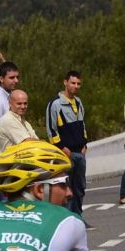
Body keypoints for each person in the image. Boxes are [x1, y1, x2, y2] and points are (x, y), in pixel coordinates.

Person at [46, 71, 88, 216]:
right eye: (73, 83)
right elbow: (51, 130)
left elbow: (83, 124)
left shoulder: (78, 102)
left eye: (78, 83)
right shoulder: (55, 104)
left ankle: (78, 217)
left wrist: (85, 144)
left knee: (80, 188)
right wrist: (61, 148)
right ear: (65, 82)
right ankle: (66, 218)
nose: (76, 86)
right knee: (66, 188)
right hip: (65, 153)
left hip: (80, 152)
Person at [0, 90, 37, 154]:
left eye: (25, 103)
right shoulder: (7, 120)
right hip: (9, 160)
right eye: (19, 103)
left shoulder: (25, 123)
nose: (23, 107)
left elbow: (36, 141)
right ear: (10, 104)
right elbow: (27, 142)